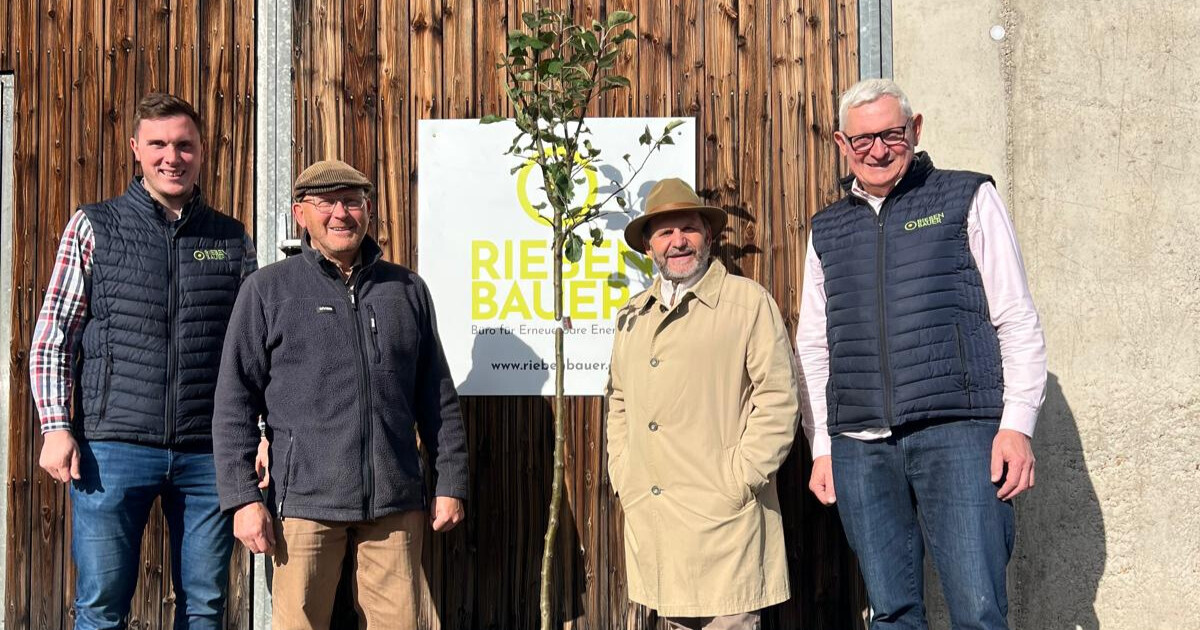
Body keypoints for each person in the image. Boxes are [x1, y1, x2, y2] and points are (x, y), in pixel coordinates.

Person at [795, 78, 1047, 629]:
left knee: (979, 610)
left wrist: (1017, 425)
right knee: (891, 612)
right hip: (860, 447)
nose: (879, 151)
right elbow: (813, 344)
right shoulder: (827, 229)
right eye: (863, 140)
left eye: (892, 134)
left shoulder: (967, 197)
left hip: (959, 433)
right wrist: (822, 446)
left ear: (916, 130)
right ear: (842, 144)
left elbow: (1016, 315)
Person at [29, 93, 257, 629]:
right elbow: (53, 336)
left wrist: (260, 433)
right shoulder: (95, 227)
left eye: (184, 145)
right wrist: (56, 427)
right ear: (136, 149)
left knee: (205, 607)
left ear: (202, 152)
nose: (171, 157)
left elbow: (253, 354)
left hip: (208, 454)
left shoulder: (229, 240)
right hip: (113, 449)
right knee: (102, 606)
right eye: (157, 144)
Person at [212, 159, 468, 630]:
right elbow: (234, 403)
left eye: (352, 201)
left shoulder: (406, 290)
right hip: (305, 503)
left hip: (394, 498)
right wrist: (243, 499)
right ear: (299, 214)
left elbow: (436, 395)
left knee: (404, 624)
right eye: (326, 202)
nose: (341, 213)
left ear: (367, 210)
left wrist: (451, 480)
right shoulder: (268, 291)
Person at [605, 178, 799, 630]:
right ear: (649, 247)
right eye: (664, 233)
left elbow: (779, 399)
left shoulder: (747, 304)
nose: (678, 242)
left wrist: (741, 477)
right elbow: (619, 401)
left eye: (688, 228)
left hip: (725, 526)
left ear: (707, 236)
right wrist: (625, 473)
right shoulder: (632, 315)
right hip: (658, 526)